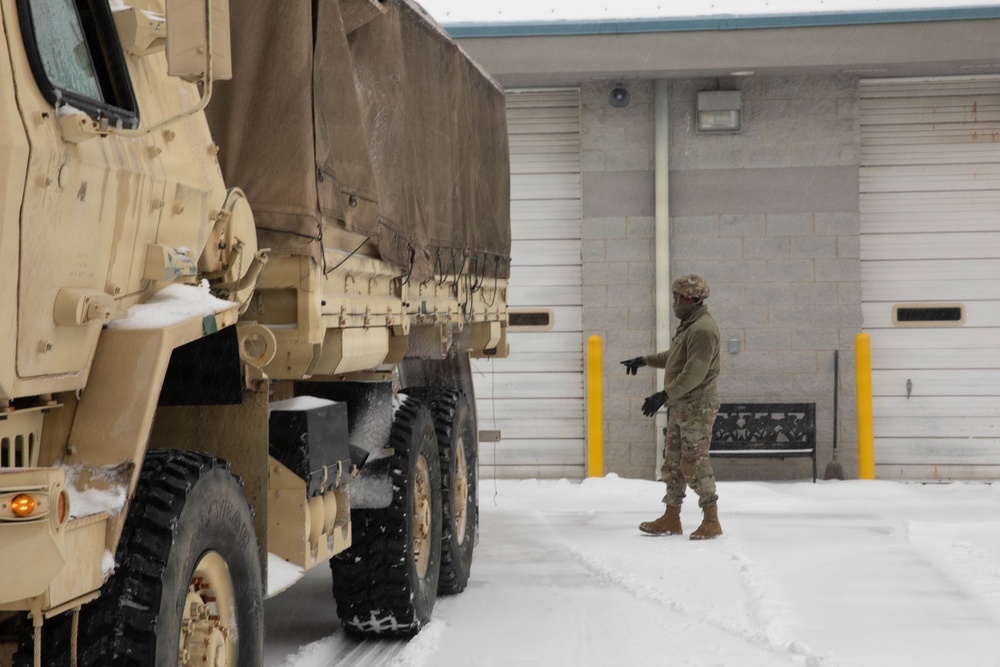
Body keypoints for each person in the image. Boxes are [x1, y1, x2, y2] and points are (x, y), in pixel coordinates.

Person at [621, 274, 722, 540]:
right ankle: (671, 517)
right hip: (682, 405)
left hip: (696, 406)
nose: (675, 303)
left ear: (693, 299)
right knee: (674, 463)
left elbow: (694, 374)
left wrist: (663, 395)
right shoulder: (690, 325)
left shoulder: (702, 329)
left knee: (694, 462)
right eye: (675, 297)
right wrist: (644, 360)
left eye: (678, 298)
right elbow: (675, 358)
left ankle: (711, 520)